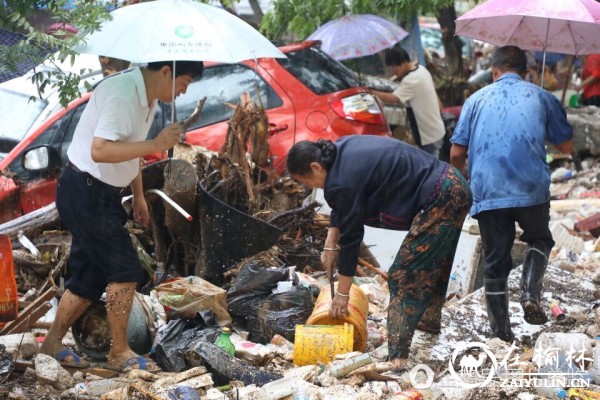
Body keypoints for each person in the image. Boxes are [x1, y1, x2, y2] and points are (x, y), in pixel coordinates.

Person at [39, 60, 204, 371]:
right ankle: (119, 352)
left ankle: (50, 344)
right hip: (85, 190)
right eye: (184, 81)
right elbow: (100, 150)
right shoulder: (124, 93)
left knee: (89, 277)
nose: (184, 90)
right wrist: (157, 143)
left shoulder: (149, 100)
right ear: (166, 72)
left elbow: (131, 150)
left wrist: (138, 195)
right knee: (126, 270)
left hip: (101, 193)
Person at [286, 136, 472, 368]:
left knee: (404, 274)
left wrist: (342, 295)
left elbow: (352, 238)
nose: (313, 187)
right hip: (453, 184)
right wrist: (330, 244)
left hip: (441, 196)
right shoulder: (337, 153)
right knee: (435, 263)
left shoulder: (341, 180)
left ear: (315, 167)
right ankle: (428, 323)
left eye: (308, 181)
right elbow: (341, 206)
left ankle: (397, 358)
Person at [450, 46, 573, 342]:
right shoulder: (542, 97)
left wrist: (466, 181)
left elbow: (456, 152)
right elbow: (566, 147)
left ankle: (502, 335)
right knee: (540, 238)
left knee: (495, 262)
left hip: (488, 190)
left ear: (493, 71)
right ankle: (530, 292)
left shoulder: (474, 100)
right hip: (531, 187)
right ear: (526, 72)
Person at [370, 46, 446, 158]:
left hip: (429, 136)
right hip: (436, 130)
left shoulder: (410, 80)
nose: (394, 71)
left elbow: (394, 98)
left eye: (395, 67)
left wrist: (371, 92)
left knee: (433, 171)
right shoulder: (421, 70)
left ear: (404, 62)